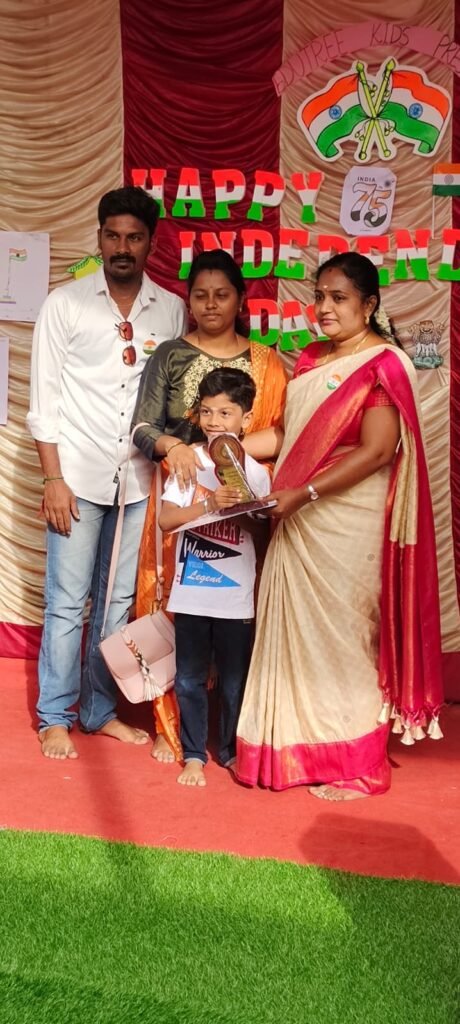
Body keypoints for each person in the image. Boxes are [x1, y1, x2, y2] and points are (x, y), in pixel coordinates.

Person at [236, 252, 443, 799]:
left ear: (368, 305)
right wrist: (225, 447)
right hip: (297, 516)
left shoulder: (384, 364)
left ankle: (360, 764)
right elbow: (286, 436)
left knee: (348, 640)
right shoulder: (310, 358)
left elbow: (377, 451)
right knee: (300, 641)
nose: (324, 308)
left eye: (339, 298)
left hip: (346, 522)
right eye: (319, 297)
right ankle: (299, 751)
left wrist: (303, 494)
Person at [27, 186, 187, 759]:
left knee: (117, 604)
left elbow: (170, 399)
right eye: (113, 236)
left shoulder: (170, 308)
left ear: (151, 244)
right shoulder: (65, 304)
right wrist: (53, 480)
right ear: (98, 238)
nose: (122, 247)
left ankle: (98, 712)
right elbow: (43, 401)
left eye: (134, 237)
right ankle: (54, 715)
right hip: (75, 479)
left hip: (138, 484)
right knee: (67, 603)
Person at [132, 248, 287, 762]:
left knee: (236, 623)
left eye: (222, 294)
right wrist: (176, 448)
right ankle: (172, 726)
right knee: (172, 604)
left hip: (243, 500)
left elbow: (281, 432)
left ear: (241, 299)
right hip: (181, 493)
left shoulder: (266, 362)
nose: (211, 304)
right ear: (189, 300)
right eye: (200, 295)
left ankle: (234, 737)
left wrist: (225, 453)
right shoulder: (169, 355)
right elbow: (143, 426)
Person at [158, 367, 270, 786]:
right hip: (191, 594)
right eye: (206, 412)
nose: (214, 421)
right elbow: (167, 520)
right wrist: (211, 505)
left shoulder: (257, 473)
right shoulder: (190, 463)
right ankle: (192, 755)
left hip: (235, 598)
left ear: (246, 418)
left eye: (225, 413)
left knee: (234, 681)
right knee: (189, 679)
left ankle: (230, 751)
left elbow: (264, 533)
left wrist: (243, 506)